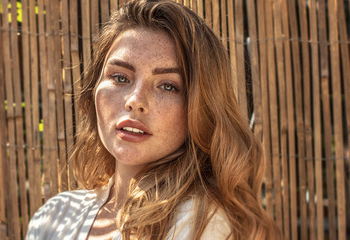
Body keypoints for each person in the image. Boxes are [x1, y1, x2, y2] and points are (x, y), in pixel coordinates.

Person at [26, 0, 281, 239]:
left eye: (168, 86)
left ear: (201, 107)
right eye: (120, 77)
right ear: (94, 89)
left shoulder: (202, 221)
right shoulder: (55, 215)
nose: (135, 100)